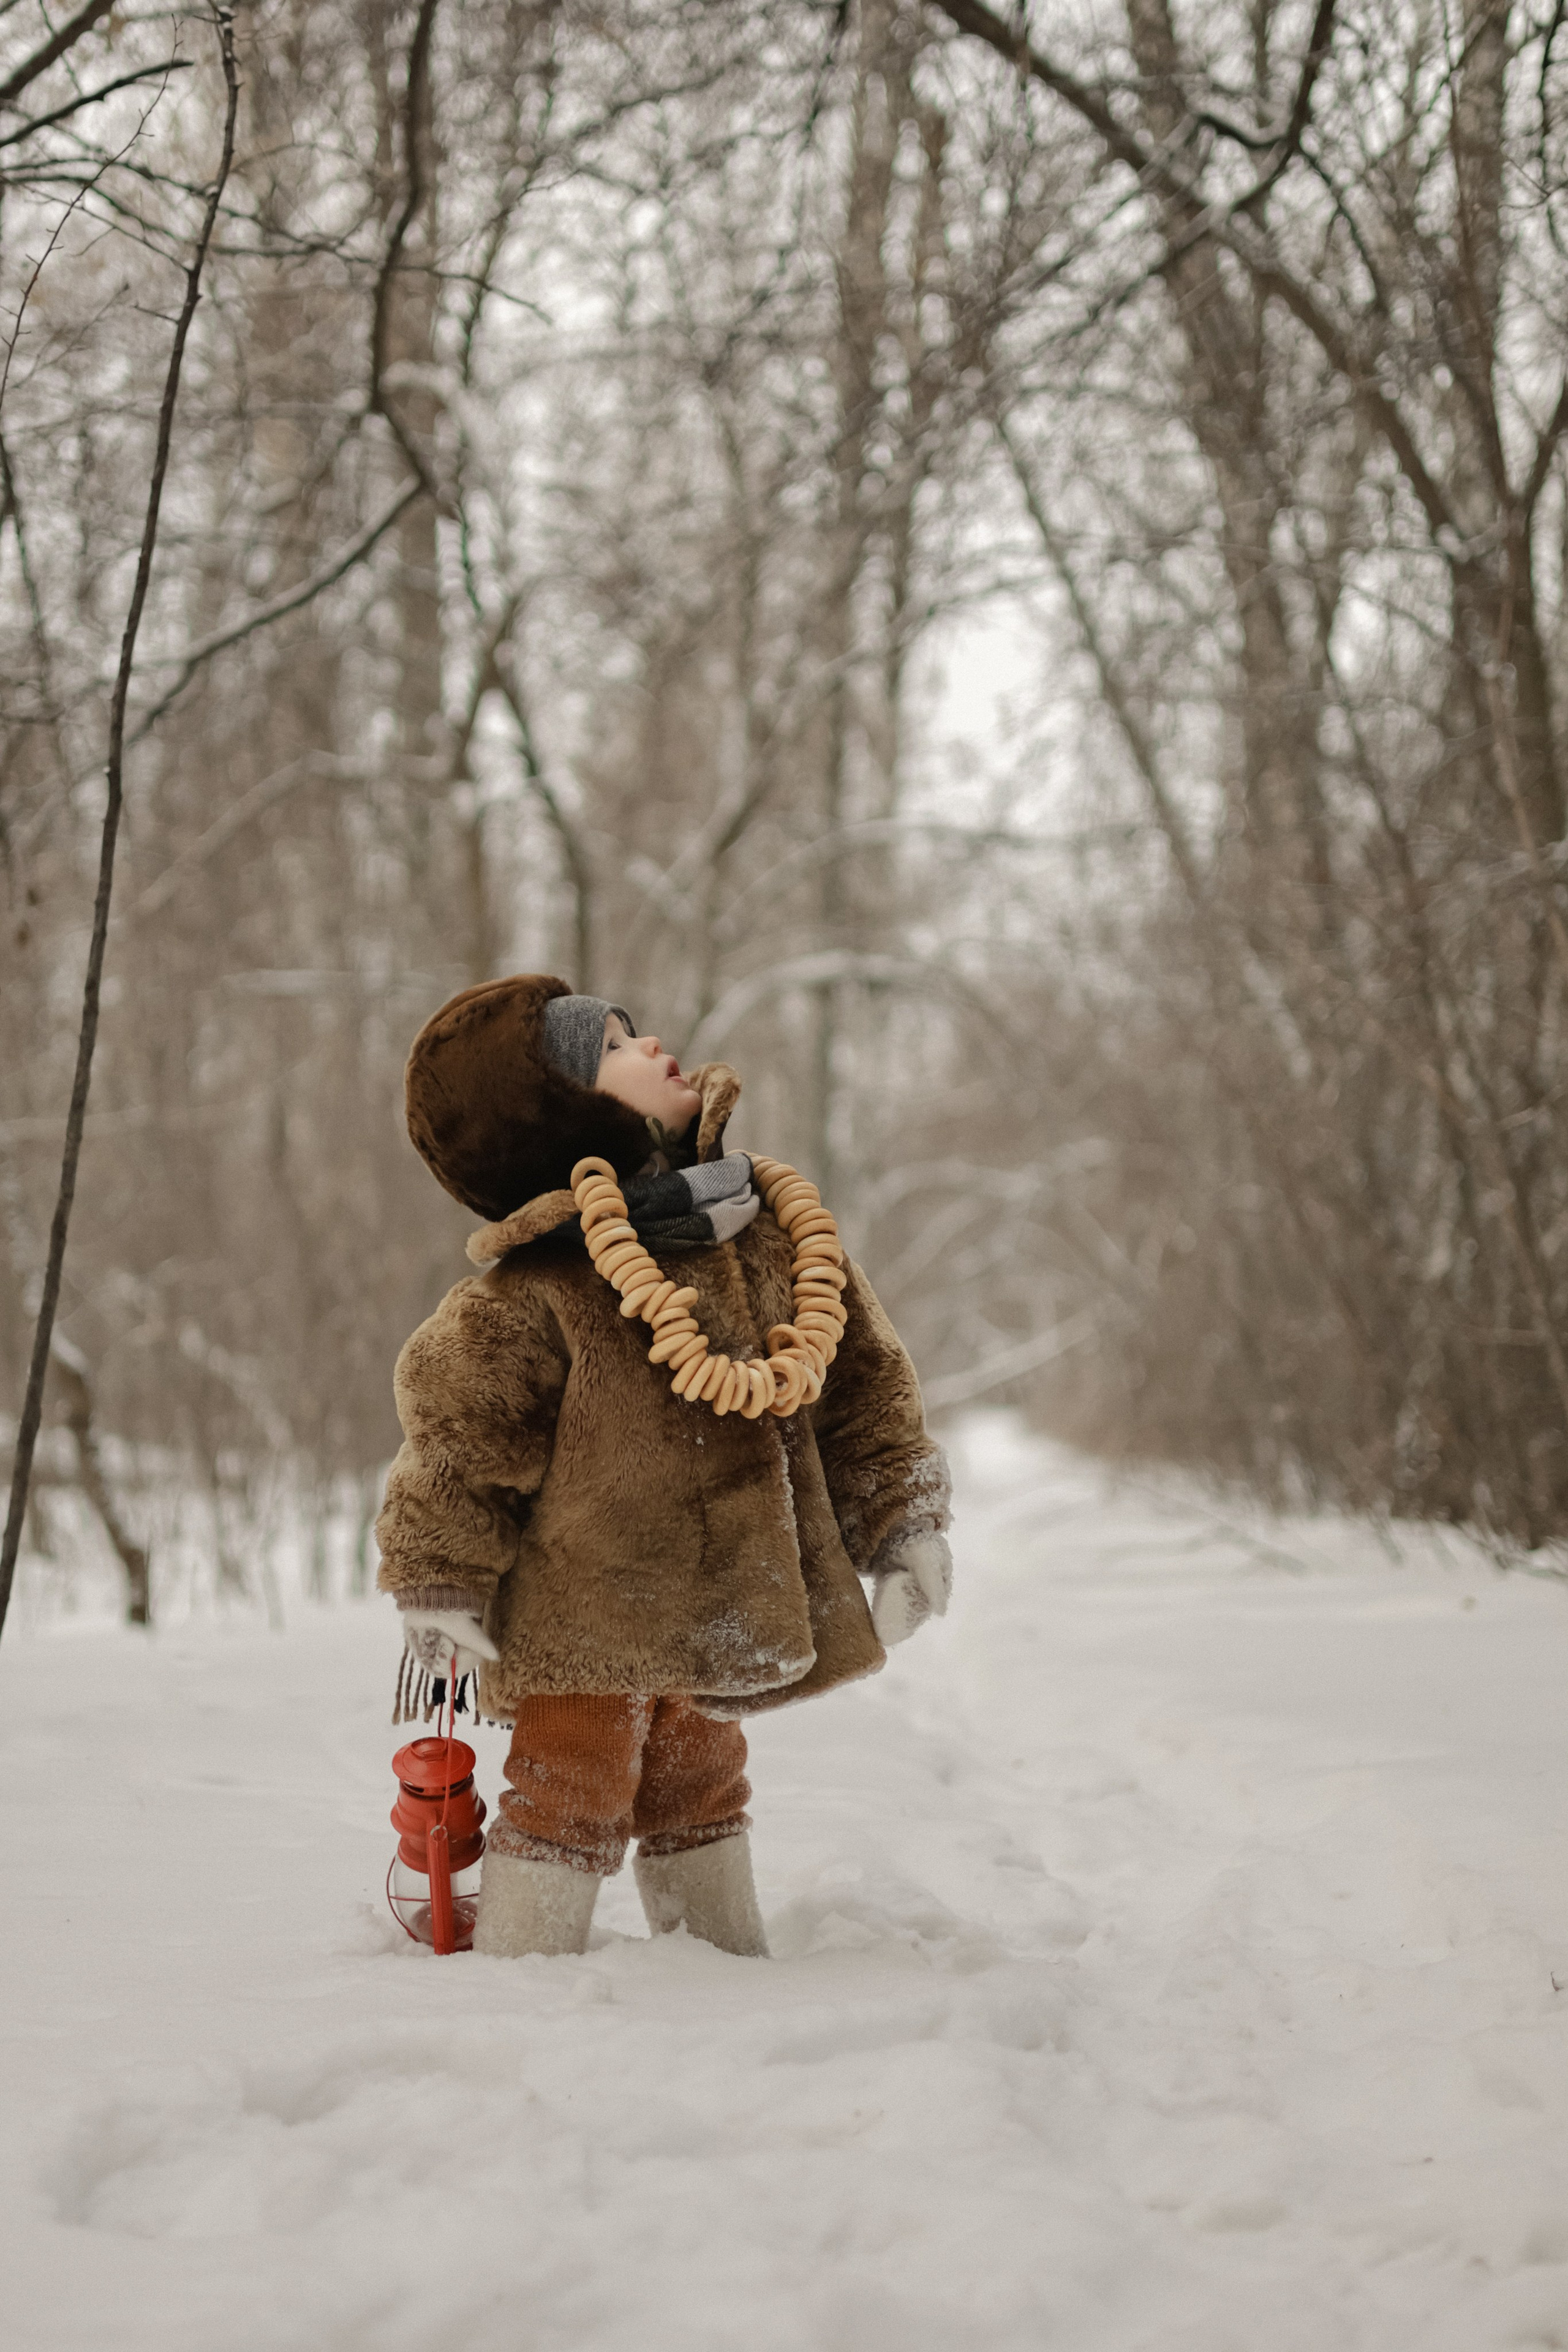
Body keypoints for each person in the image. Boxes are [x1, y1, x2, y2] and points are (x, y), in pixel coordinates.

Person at [376, 973, 952, 1959]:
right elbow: (459, 1438)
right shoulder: (538, 1292)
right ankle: (527, 1967)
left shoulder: (774, 1234)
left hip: (718, 1608)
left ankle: (720, 1961)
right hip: (584, 1617)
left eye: (634, 1033)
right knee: (573, 1777)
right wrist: (439, 1579)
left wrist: (903, 1521)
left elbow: (863, 1387)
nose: (652, 1049)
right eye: (610, 1048)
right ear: (558, 1113)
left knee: (701, 1772)